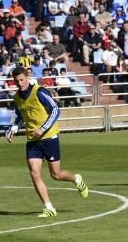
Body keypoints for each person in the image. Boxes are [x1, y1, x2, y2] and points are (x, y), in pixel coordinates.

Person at [5, 67, 89, 217]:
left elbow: (56, 110)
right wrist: (13, 128)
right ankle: (49, 207)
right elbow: (20, 117)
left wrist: (42, 128)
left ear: (27, 77)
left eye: (22, 80)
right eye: (16, 81)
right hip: (32, 140)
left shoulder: (40, 92)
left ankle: (76, 178)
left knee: (55, 175)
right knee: (34, 172)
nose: (20, 83)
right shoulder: (17, 98)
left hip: (49, 137)